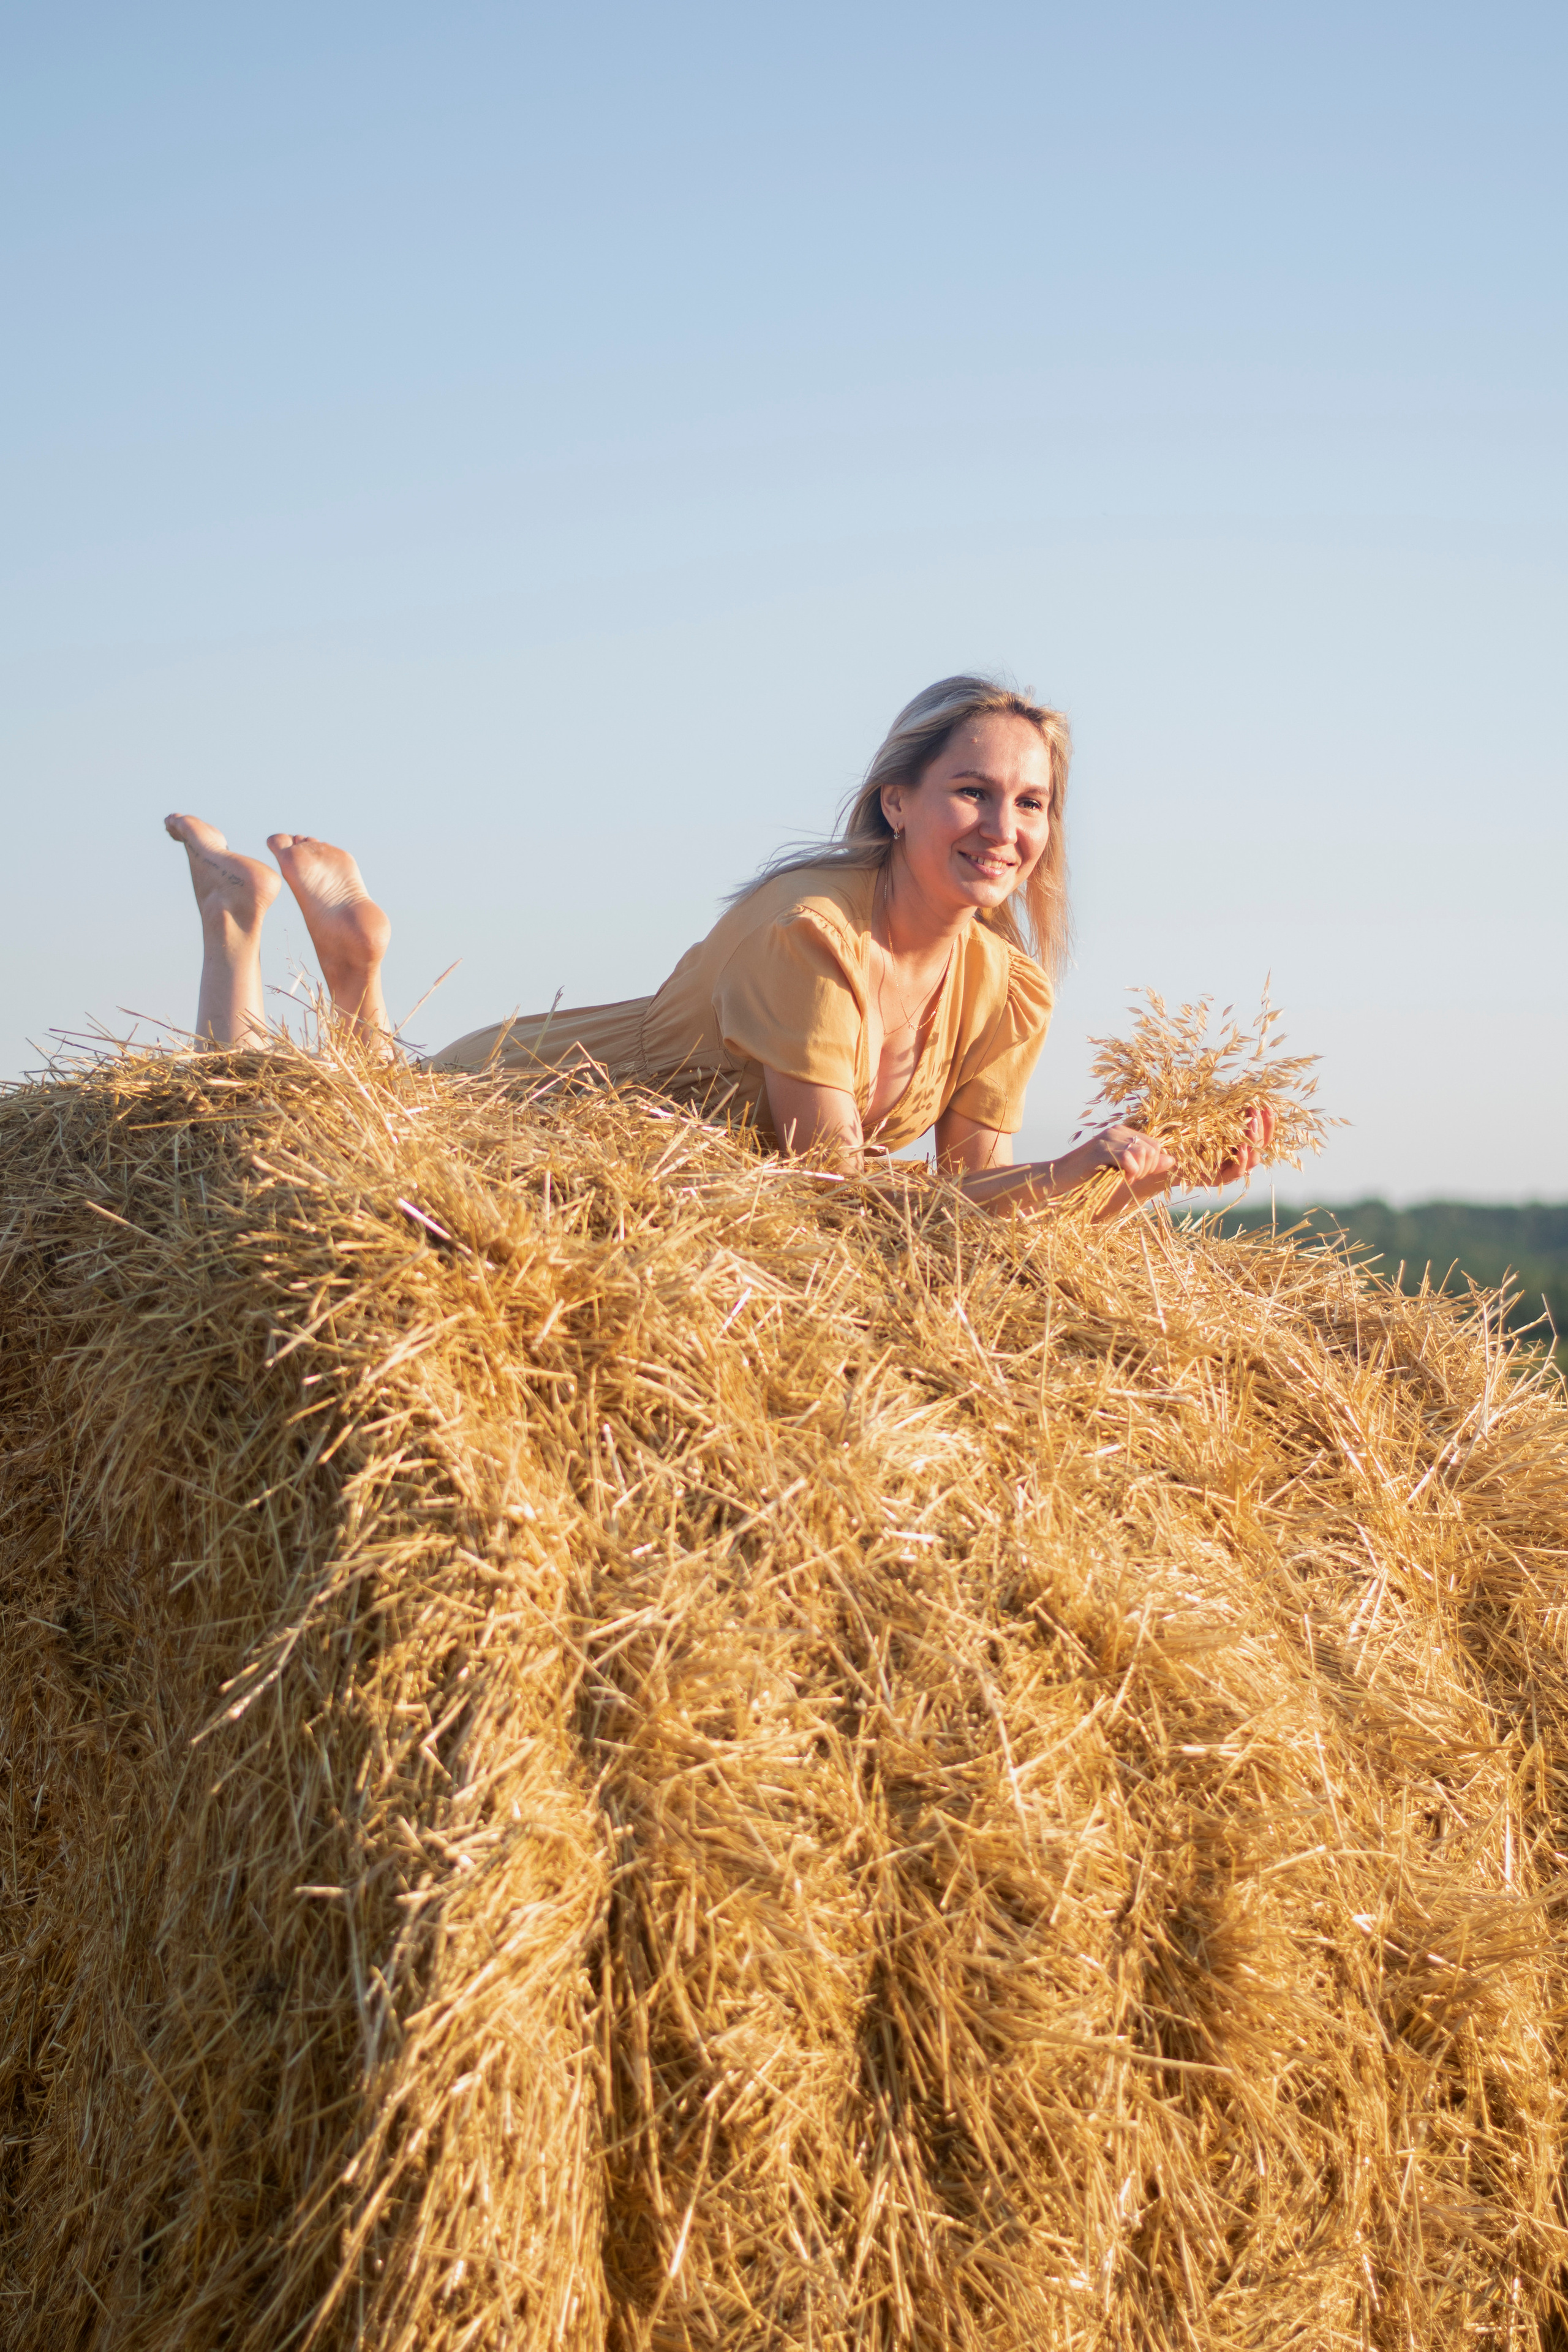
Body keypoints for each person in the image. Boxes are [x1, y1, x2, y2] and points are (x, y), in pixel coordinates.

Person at [164, 674, 1270, 1213]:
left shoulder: (1007, 989)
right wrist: (1073, 1173)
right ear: (896, 802)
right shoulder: (815, 932)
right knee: (257, 1156)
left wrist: (1133, 1180)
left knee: (319, 1129)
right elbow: (833, 1189)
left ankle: (336, 964)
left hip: (657, 1193)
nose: (1004, 829)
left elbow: (973, 1205)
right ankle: (244, 931)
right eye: (973, 792)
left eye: (1031, 805)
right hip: (550, 1111)